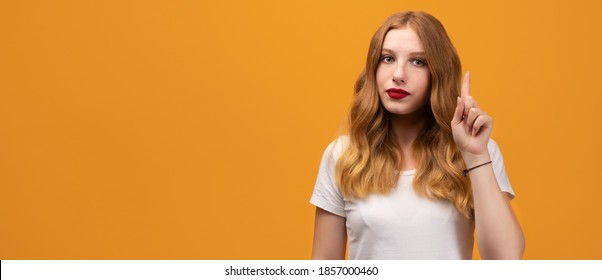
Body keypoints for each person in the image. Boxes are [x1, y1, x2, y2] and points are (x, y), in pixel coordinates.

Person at [310, 11, 525, 260]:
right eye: (387, 58)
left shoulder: (478, 151)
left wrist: (475, 157)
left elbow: (506, 259)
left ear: (438, 73)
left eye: (418, 62)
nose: (398, 74)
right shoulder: (343, 156)